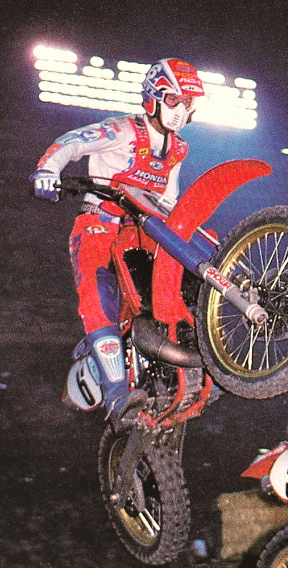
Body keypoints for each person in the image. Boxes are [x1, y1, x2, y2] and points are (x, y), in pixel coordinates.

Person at [30, 58, 205, 429]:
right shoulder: (124, 130)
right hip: (99, 222)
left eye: (188, 103)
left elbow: (169, 199)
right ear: (154, 98)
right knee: (97, 296)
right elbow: (71, 143)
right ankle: (116, 395)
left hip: (142, 227)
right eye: (174, 99)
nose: (181, 110)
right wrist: (49, 170)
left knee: (184, 268)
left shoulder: (178, 150)